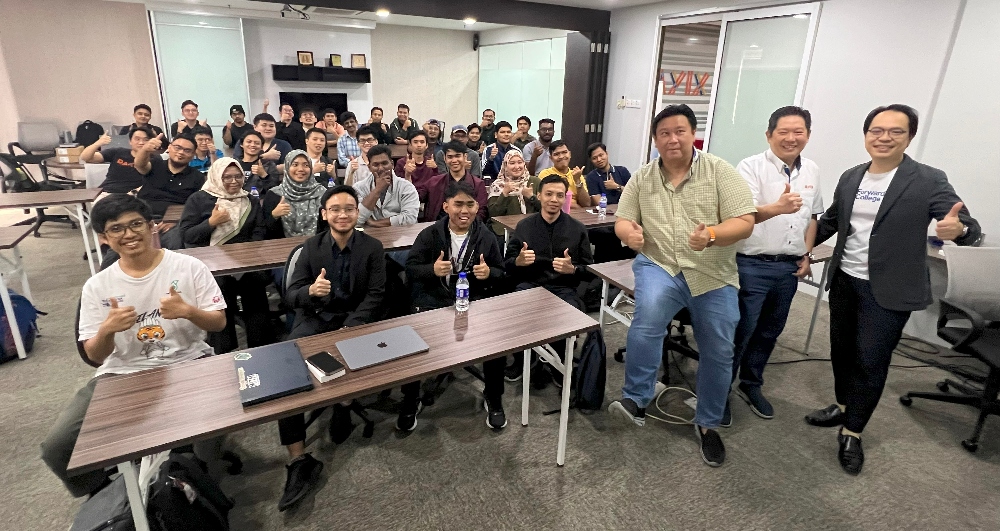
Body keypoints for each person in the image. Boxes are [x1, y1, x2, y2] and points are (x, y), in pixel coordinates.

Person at [804, 104, 981, 475]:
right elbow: (833, 222)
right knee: (841, 351)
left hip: (888, 289)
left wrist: (960, 231)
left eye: (895, 132)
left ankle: (853, 431)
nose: (884, 138)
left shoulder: (927, 179)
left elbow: (962, 221)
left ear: (909, 137)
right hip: (846, 281)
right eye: (876, 130)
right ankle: (841, 405)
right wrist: (794, 247)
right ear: (866, 135)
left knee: (870, 359)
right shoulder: (852, 176)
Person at [40, 194, 226, 498]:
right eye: (116, 229)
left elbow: (218, 323)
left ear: (152, 226)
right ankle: (104, 494)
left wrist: (189, 311)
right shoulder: (97, 286)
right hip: (123, 372)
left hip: (189, 362)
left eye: (136, 224)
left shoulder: (189, 267)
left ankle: (202, 487)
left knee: (213, 426)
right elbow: (95, 355)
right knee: (58, 448)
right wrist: (107, 331)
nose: (128, 234)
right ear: (103, 238)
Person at [606, 104, 757, 468]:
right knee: (647, 319)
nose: (672, 139)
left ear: (693, 134)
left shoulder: (721, 171)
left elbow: (746, 221)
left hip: (712, 271)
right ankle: (637, 399)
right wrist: (631, 234)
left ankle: (707, 422)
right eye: (664, 133)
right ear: (655, 140)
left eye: (680, 131)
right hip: (660, 265)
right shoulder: (643, 177)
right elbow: (622, 220)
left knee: (719, 347)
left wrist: (714, 234)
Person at [277, 185, 386, 512]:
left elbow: (377, 295)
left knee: (354, 351)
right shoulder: (311, 248)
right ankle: (297, 460)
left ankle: (343, 401)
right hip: (316, 318)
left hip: (355, 320)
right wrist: (310, 290)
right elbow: (291, 295)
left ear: (357, 212)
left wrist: (352, 326)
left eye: (349, 208)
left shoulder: (372, 247)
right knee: (286, 373)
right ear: (324, 214)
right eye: (335, 209)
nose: (342, 214)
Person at [726, 106, 823, 426]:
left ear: (808, 135)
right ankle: (719, 392)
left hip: (788, 268)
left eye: (798, 132)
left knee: (770, 332)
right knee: (740, 332)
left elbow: (812, 217)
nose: (791, 138)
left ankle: (751, 384)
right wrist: (777, 207)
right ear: (769, 135)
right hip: (752, 263)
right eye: (783, 132)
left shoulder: (812, 170)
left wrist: (807, 255)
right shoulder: (750, 167)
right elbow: (744, 215)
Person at [403, 181, 508, 430]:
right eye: (458, 204)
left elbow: (502, 273)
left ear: (477, 206)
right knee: (412, 343)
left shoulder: (486, 236)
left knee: (497, 341)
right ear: (446, 206)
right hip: (434, 300)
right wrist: (432, 270)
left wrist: (488, 273)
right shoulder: (429, 234)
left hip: (474, 300)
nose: (464, 210)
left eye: (470, 204)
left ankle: (494, 396)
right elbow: (410, 269)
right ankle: (410, 399)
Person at [503, 174, 594, 385]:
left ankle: (559, 361)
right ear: (539, 195)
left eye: (559, 195)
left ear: (565, 199)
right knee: (515, 308)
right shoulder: (525, 226)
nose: (554, 199)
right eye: (549, 194)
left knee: (569, 315)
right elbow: (506, 264)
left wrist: (572, 269)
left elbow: (589, 270)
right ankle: (522, 359)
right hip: (530, 284)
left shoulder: (577, 228)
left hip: (563, 287)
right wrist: (519, 261)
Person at [179, 158, 270, 354]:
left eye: (238, 176)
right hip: (212, 264)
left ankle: (261, 346)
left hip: (245, 262)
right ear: (216, 177)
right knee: (220, 292)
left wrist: (246, 254)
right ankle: (224, 350)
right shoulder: (199, 199)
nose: (234, 181)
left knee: (256, 286)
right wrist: (211, 222)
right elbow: (187, 235)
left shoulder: (249, 200)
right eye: (227, 177)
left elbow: (259, 231)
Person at [584, 142, 634, 263]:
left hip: (626, 215)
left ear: (607, 154)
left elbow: (634, 195)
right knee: (607, 234)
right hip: (604, 219)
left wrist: (617, 187)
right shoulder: (591, 177)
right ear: (591, 161)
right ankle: (605, 270)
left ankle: (628, 263)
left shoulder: (622, 171)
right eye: (595, 158)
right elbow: (598, 201)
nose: (599, 159)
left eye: (601, 155)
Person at [135, 133, 204, 217]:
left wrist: (174, 221)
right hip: (143, 214)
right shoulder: (155, 164)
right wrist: (145, 150)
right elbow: (139, 165)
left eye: (187, 150)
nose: (181, 152)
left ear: (193, 155)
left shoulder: (197, 177)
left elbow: (195, 206)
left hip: (176, 219)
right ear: (169, 147)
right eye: (177, 148)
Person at [417, 141, 488, 223]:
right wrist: (408, 175)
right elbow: (416, 198)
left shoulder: (478, 184)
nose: (454, 160)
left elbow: (482, 212)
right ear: (445, 159)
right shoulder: (434, 182)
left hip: (467, 227)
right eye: (450, 157)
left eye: (458, 156)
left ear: (465, 157)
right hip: (436, 228)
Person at [262, 150, 326, 240]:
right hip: (281, 248)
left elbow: (328, 227)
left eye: (306, 165)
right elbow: (264, 231)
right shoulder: (274, 194)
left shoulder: (322, 193)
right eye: (295, 165)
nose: (300, 169)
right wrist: (274, 216)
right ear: (287, 168)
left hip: (317, 246)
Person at [353, 145, 419, 228]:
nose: (381, 168)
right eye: (375, 165)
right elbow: (356, 220)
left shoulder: (407, 187)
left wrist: (375, 223)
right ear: (369, 167)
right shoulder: (359, 188)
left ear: (392, 164)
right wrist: (377, 190)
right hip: (369, 236)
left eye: (384, 163)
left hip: (400, 235)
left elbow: (410, 219)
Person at [487, 150, 540, 242]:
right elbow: (493, 214)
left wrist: (531, 197)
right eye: (512, 163)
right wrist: (504, 194)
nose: (517, 167)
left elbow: (546, 208)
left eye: (520, 162)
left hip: (533, 229)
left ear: (524, 164)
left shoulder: (534, 181)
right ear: (505, 166)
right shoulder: (498, 185)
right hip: (505, 232)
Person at [79, 126, 150, 194]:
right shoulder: (117, 152)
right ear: (130, 141)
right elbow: (86, 157)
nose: (141, 143)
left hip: (132, 195)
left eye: (145, 140)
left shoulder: (153, 159)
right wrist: (98, 143)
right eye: (137, 139)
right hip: (107, 192)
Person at [537, 141, 590, 207]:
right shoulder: (545, 174)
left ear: (570, 154)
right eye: (556, 154)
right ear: (551, 158)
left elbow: (587, 204)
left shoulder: (577, 175)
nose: (561, 156)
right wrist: (575, 206)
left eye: (564, 152)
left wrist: (578, 181)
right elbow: (550, 202)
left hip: (578, 214)